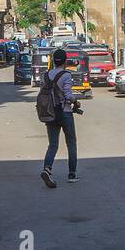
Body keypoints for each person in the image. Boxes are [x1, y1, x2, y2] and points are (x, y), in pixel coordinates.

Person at [40, 48, 81, 187]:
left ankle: (47, 169)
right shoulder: (66, 75)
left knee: (52, 145)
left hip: (50, 113)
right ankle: (72, 174)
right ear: (65, 60)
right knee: (71, 143)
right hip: (65, 112)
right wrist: (76, 101)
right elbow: (68, 95)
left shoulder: (46, 75)